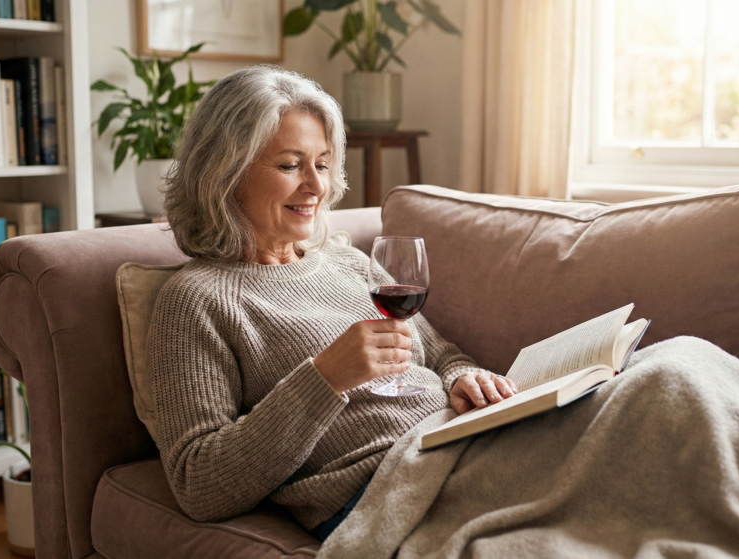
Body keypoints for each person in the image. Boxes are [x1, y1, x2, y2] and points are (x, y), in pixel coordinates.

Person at [146, 65, 517, 540]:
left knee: (641, 378)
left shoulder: (349, 264)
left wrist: (464, 377)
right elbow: (198, 484)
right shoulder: (195, 301)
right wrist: (326, 377)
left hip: (466, 441)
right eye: (289, 165)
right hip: (392, 485)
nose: (317, 187)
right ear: (225, 173)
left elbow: (441, 354)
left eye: (321, 164)